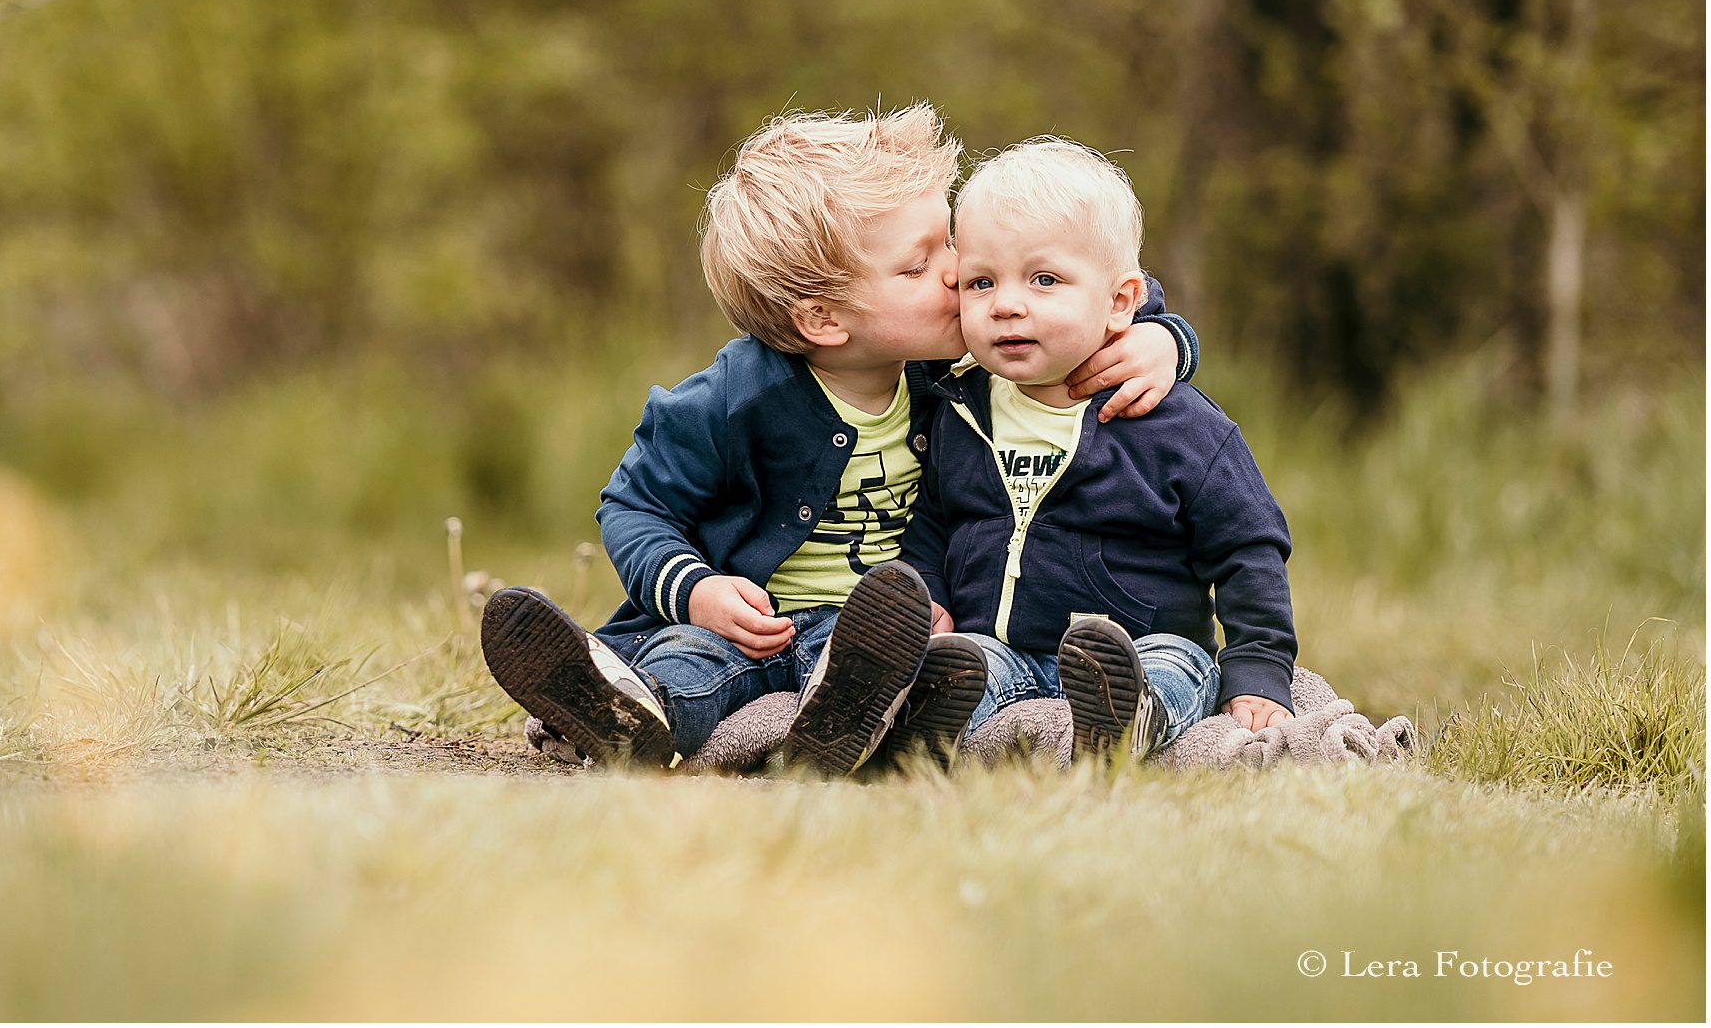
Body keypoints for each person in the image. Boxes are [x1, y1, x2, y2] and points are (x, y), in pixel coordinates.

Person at [481, 106, 1200, 771]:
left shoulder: (954, 368)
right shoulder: (734, 400)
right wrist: (697, 591)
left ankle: (843, 716)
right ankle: (624, 712)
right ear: (824, 320)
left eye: (947, 241)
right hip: (747, 628)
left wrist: (1164, 338)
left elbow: (1091, 288)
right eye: (919, 265)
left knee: (896, 661)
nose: (959, 271)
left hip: (874, 636)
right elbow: (634, 507)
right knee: (690, 661)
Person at [900, 136, 1296, 761]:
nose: (1005, 304)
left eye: (1045, 279)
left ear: (1119, 303)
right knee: (962, 665)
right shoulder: (959, 408)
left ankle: (1126, 717)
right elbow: (931, 524)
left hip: (1143, 642)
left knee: (1174, 669)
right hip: (1001, 648)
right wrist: (929, 595)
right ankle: (919, 722)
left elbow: (1249, 549)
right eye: (980, 282)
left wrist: (1259, 669)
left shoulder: (1177, 426)